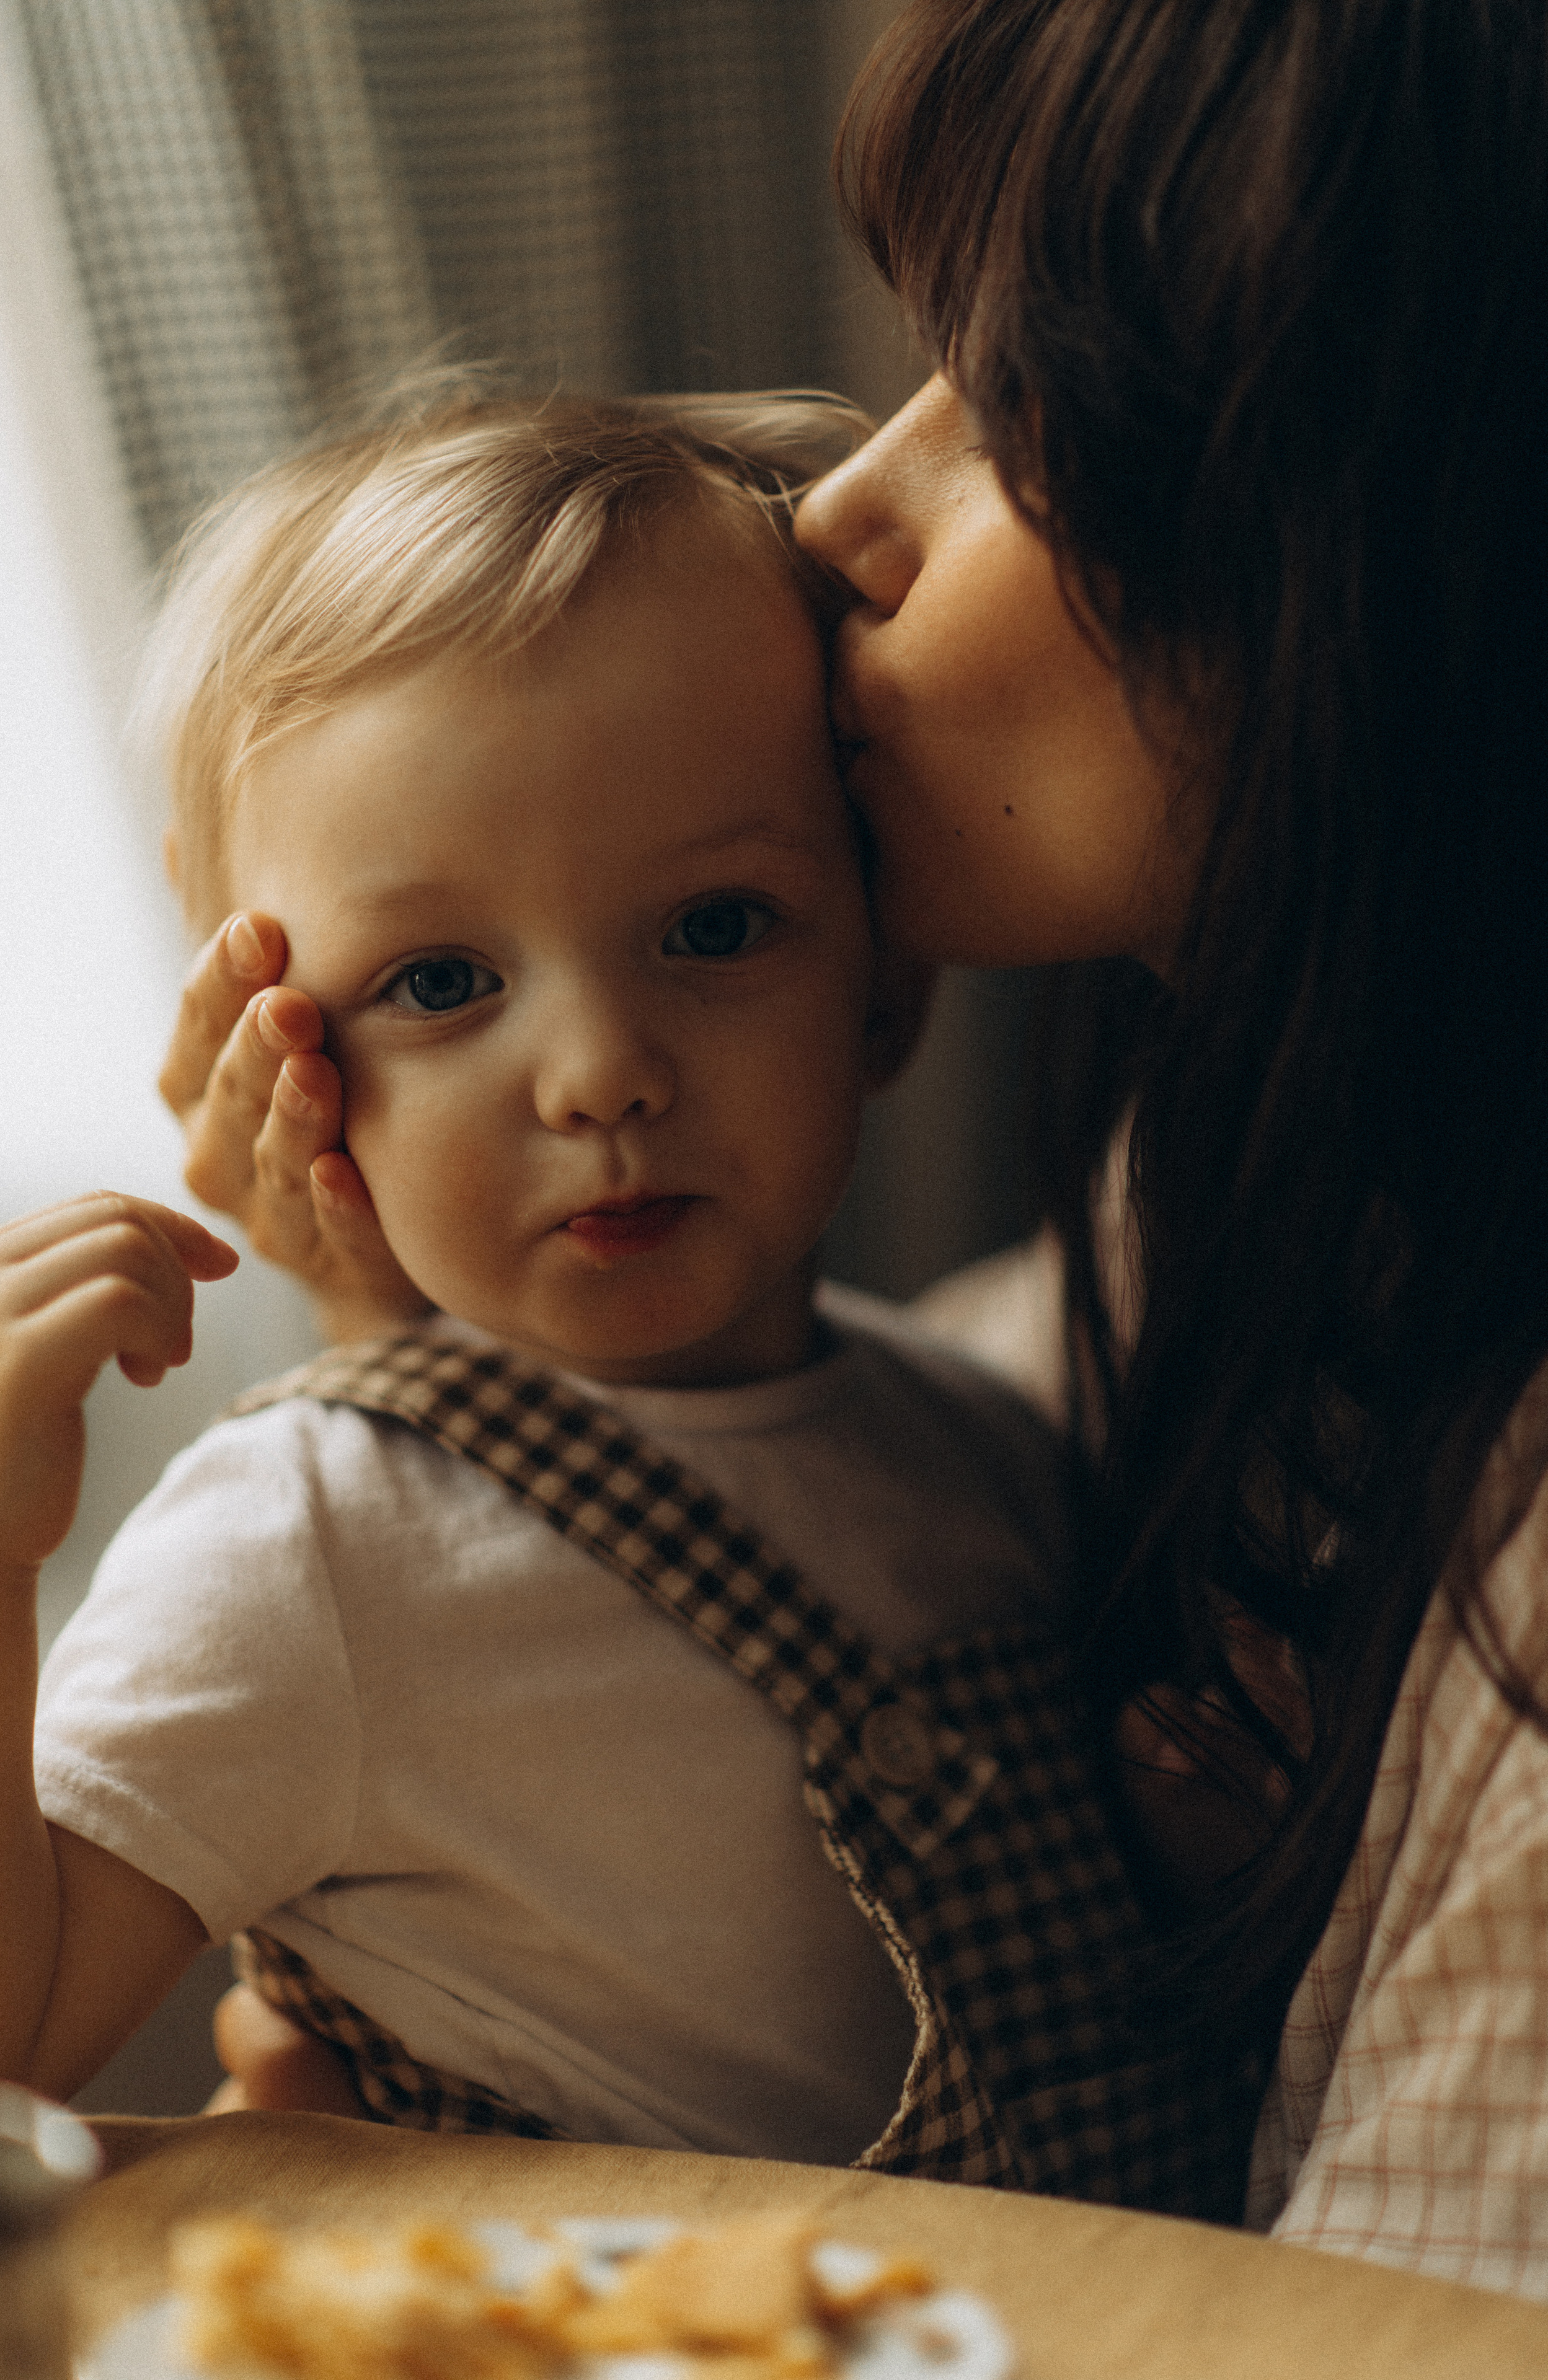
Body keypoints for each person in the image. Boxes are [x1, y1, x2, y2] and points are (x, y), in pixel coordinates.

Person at [164, 0, 1548, 2299]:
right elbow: (777, 1490)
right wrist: (414, 1331)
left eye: (1015, 403)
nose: (838, 512)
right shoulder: (1236, 1197)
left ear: (1378, 541)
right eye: (439, 983)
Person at [0, 386, 1166, 2185]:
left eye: (714, 928)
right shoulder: (311, 1539)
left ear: (887, 983)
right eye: (442, 982)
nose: (601, 1072)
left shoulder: (988, 1437)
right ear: (288, 1065)